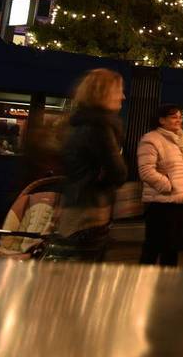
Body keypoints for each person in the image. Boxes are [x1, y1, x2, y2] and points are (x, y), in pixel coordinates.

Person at [50, 68, 128, 261]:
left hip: (75, 205)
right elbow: (119, 173)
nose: (123, 97)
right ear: (104, 93)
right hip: (91, 211)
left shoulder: (78, 123)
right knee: (84, 269)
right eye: (119, 91)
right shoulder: (100, 128)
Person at [137, 104, 183, 266]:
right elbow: (146, 171)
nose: (178, 120)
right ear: (162, 120)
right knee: (153, 248)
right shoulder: (151, 139)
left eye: (180, 117)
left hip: (182, 202)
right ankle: (143, 278)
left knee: (172, 249)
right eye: (174, 117)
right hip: (161, 204)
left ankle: (168, 279)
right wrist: (169, 186)